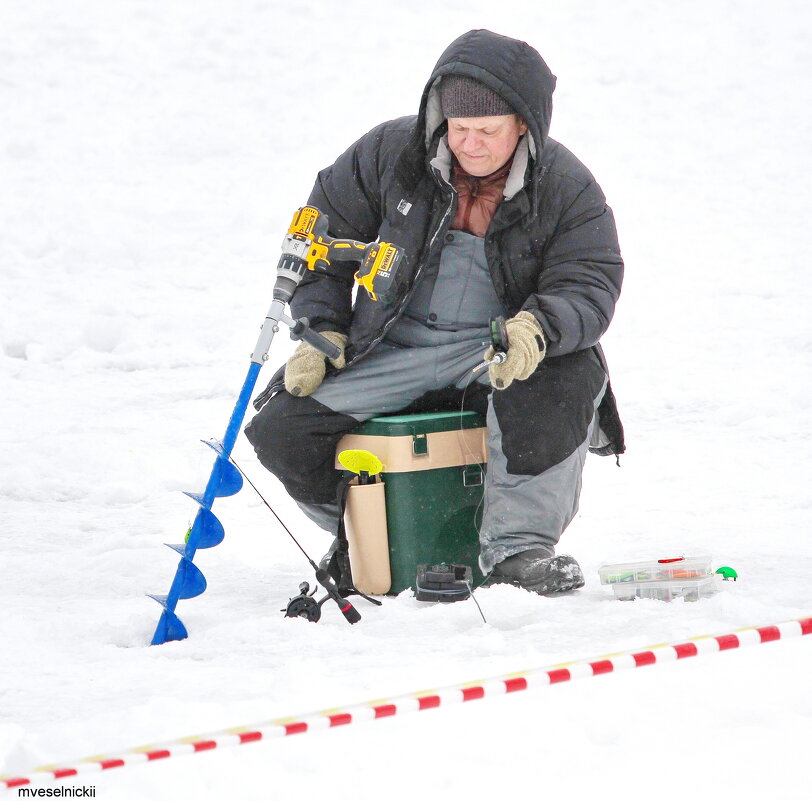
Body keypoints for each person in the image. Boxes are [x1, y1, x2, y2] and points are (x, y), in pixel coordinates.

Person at [245, 29, 625, 595]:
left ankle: (519, 550)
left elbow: (589, 279)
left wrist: (535, 330)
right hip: (394, 344)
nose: (470, 144)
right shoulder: (388, 154)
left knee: (565, 379)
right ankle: (366, 540)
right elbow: (322, 241)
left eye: (487, 131)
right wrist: (321, 328)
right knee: (283, 428)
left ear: (524, 124)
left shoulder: (565, 185)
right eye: (458, 127)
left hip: (495, 345)